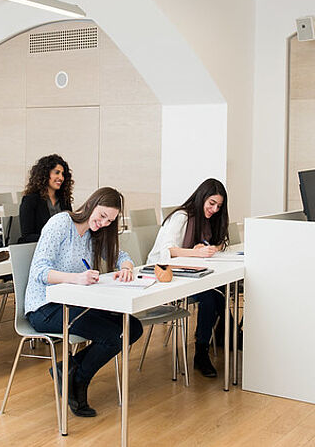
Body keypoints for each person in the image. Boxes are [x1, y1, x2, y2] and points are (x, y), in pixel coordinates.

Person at [25, 187, 143, 417]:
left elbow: (120, 256)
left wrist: (127, 268)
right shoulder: (61, 223)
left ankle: (68, 370)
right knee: (115, 335)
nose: (103, 223)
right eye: (101, 216)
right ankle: (79, 382)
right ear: (91, 204)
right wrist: (76, 279)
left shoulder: (96, 233)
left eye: (110, 220)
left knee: (133, 326)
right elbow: (39, 271)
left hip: (75, 304)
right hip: (44, 307)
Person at [148, 178, 229, 378]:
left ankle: (222, 336)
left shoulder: (209, 219)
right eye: (211, 204)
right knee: (211, 298)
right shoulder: (182, 217)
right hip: (165, 273)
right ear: (201, 197)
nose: (215, 209)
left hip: (190, 272)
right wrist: (196, 253)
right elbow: (168, 251)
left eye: (219, 206)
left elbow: (222, 242)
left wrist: (212, 248)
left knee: (220, 291)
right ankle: (203, 352)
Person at [17, 154, 73, 243]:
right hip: (39, 249)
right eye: (57, 172)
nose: (61, 178)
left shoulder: (64, 200)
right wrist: (54, 237)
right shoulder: (30, 200)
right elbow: (27, 236)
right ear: (45, 174)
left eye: (63, 174)